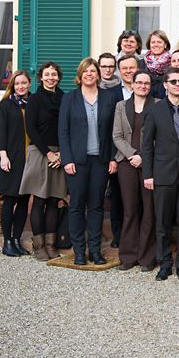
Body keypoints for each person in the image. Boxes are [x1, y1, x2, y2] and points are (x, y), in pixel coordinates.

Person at [58, 58, 119, 266]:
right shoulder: (69, 98)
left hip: (100, 161)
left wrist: (112, 157)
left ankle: (94, 250)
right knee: (76, 206)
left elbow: (113, 131)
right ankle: (78, 251)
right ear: (80, 75)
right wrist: (67, 159)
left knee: (96, 206)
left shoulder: (109, 97)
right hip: (77, 161)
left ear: (98, 74)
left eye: (93, 71)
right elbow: (63, 132)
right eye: (86, 71)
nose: (90, 74)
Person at [142, 67, 179, 282]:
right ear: (165, 85)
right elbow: (146, 145)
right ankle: (165, 263)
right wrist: (148, 174)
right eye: (173, 81)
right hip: (162, 174)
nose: (177, 84)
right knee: (163, 223)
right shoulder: (155, 110)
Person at [19, 62, 66, 261]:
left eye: (54, 74)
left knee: (55, 200)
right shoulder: (35, 100)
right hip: (40, 152)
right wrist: (48, 153)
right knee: (39, 200)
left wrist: (62, 153)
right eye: (47, 74)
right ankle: (38, 246)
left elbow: (68, 127)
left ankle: (51, 244)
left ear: (58, 77)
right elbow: (31, 130)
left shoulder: (65, 98)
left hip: (61, 153)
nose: (50, 78)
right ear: (41, 77)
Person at [112, 70, 158, 271]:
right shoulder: (121, 106)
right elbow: (117, 135)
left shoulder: (157, 105)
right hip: (126, 163)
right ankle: (128, 256)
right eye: (139, 82)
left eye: (146, 83)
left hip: (150, 164)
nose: (142, 86)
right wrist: (133, 154)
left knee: (149, 210)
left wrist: (143, 157)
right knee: (130, 210)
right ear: (132, 84)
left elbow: (160, 136)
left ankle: (147, 258)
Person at [0, 70, 31, 257]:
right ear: (12, 86)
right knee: (9, 200)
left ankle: (17, 239)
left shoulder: (33, 103)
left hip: (30, 159)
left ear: (29, 84)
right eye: (17, 84)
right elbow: (1, 132)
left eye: (24, 83)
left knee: (24, 200)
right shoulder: (6, 105)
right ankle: (7, 241)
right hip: (11, 158)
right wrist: (3, 155)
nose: (21, 86)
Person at [99, 52, 124, 248]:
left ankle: (120, 235)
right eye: (103, 66)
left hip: (117, 149)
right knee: (99, 196)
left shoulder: (118, 90)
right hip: (97, 149)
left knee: (119, 195)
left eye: (110, 66)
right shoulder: (90, 88)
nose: (107, 69)